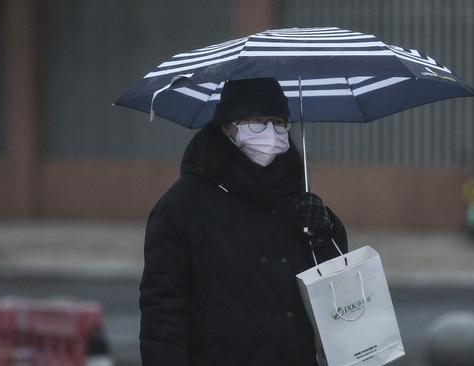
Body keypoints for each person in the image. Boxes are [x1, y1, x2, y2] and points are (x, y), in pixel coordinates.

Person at [139, 77, 348, 366]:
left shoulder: (296, 199)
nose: (270, 132)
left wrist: (325, 231)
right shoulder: (182, 206)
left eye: (278, 122)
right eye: (257, 121)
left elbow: (336, 282)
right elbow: (163, 309)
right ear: (228, 127)